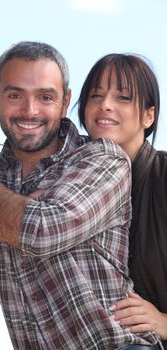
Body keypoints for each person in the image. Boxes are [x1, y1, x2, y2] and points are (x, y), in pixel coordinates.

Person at [0, 42, 160, 349]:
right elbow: (33, 229)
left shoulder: (102, 159)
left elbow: (41, 234)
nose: (30, 110)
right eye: (15, 95)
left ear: (65, 101)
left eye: (45, 97)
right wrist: (12, 221)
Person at [76, 52, 167, 349]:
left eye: (124, 97)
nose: (105, 105)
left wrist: (164, 322)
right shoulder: (69, 182)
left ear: (148, 116)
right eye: (96, 95)